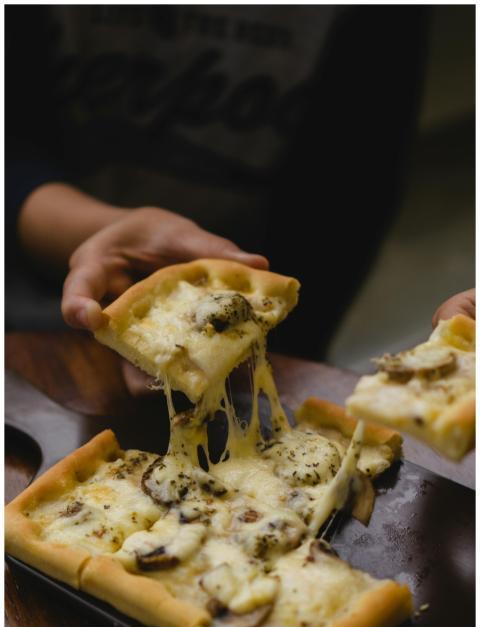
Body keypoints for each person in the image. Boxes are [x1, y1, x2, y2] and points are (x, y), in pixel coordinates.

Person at [6, 4, 473, 383]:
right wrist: (91, 230)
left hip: (263, 324)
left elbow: (344, 203)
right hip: (24, 304)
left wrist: (271, 342)